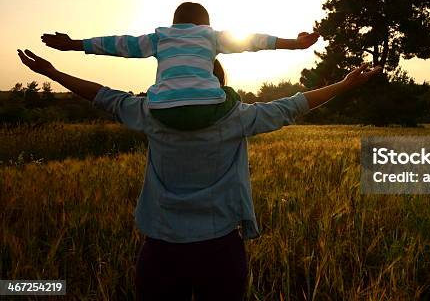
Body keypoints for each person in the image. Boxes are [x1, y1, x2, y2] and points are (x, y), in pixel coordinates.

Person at [17, 48, 382, 300]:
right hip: (220, 250)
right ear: (218, 84)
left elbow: (103, 96)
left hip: (160, 250)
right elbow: (294, 106)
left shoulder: (149, 112)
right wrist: (346, 84)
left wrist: (53, 72)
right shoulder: (238, 117)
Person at [40, 2, 319, 130]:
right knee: (231, 97)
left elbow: (119, 44)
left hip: (163, 111)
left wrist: (75, 44)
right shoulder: (211, 36)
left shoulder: (160, 37)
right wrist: (294, 43)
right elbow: (253, 41)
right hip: (208, 107)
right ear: (206, 24)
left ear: (175, 24)